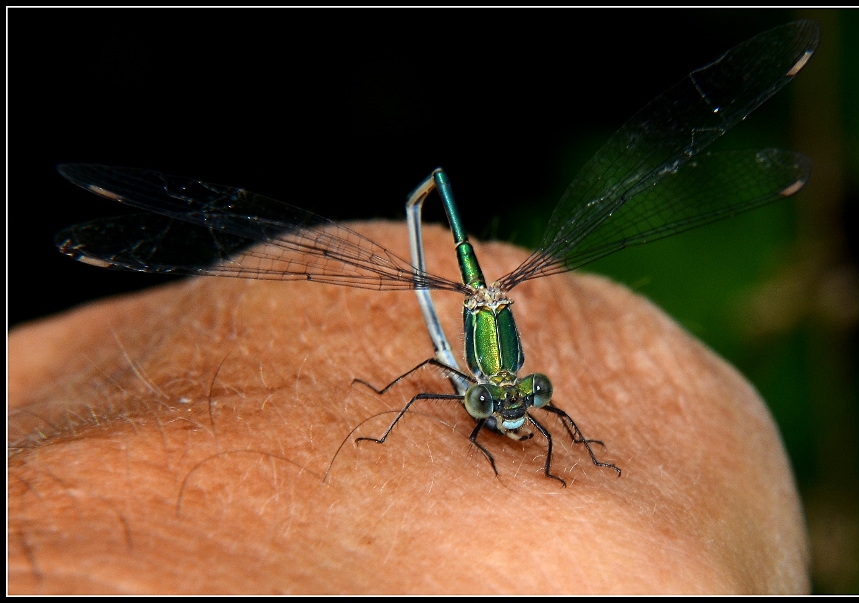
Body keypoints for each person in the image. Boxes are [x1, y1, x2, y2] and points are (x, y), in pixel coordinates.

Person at [8, 222, 809, 594]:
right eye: (503, 399)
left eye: (518, 398)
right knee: (431, 363)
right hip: (439, 321)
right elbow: (442, 381)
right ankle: (429, 204)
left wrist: (587, 453)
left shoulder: (525, 395)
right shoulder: (461, 380)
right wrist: (381, 405)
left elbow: (546, 413)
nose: (514, 411)